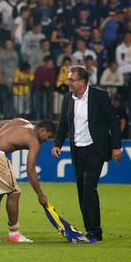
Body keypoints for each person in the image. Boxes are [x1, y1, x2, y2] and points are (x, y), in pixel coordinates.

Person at [52, 65, 122, 242]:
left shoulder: (99, 95)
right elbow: (63, 124)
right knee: (82, 191)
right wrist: (57, 144)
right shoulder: (68, 99)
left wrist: (116, 146)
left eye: (71, 80)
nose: (68, 83)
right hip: (78, 149)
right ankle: (90, 228)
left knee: (89, 188)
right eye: (68, 79)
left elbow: (112, 120)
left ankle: (95, 231)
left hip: (96, 148)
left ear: (82, 82)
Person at [0, 119, 56, 242]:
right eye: (48, 136)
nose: (46, 140)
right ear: (43, 130)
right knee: (14, 193)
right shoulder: (34, 140)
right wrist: (40, 194)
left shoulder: (21, 121)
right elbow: (30, 170)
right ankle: (14, 233)